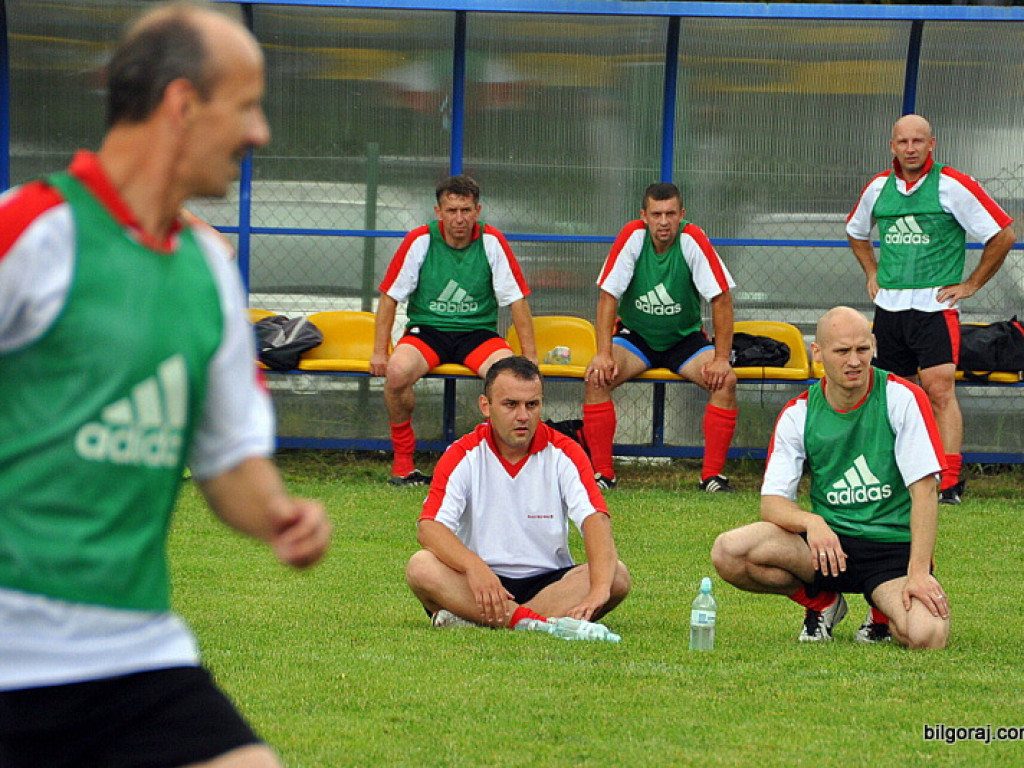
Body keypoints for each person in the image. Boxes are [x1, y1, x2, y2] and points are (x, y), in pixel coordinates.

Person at [0, 5, 332, 767]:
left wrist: (279, 514)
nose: (261, 134)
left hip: (129, 652)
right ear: (182, 105)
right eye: (246, 106)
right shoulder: (32, 231)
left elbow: (228, 459)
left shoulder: (209, 274)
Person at [711, 307, 950, 650]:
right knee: (729, 552)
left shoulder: (902, 398)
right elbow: (772, 503)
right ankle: (824, 604)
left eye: (862, 350)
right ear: (818, 353)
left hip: (891, 552)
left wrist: (919, 573)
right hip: (829, 549)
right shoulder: (799, 412)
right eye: (842, 351)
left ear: (873, 346)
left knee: (927, 636)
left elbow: (925, 491)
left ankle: (881, 612)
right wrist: (813, 523)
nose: (854, 361)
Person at [847, 113, 1016, 507]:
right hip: (889, 309)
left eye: (918, 141)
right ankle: (902, 475)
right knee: (897, 395)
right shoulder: (877, 188)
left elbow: (1003, 234)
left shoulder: (953, 185)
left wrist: (971, 284)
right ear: (892, 146)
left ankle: (950, 481)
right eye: (903, 142)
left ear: (932, 144)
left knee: (939, 389)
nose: (910, 149)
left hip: (934, 307)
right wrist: (872, 271)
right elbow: (856, 232)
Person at [405, 356, 631, 640]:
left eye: (532, 405)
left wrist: (599, 591)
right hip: (476, 581)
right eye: (511, 405)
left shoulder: (566, 452)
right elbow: (430, 528)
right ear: (485, 406)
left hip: (550, 581)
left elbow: (594, 520)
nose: (523, 415)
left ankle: (494, 620)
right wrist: (473, 566)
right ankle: (535, 621)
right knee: (421, 566)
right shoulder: (462, 453)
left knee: (616, 576)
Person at [371, 175, 537, 487]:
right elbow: (389, 296)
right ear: (438, 211)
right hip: (428, 332)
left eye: (465, 210)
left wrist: (530, 358)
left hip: (478, 334)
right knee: (396, 372)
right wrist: (380, 351)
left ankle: (503, 463)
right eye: (451, 210)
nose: (458, 218)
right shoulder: (420, 239)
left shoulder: (492, 241)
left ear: (478, 210)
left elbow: (517, 300)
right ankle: (404, 462)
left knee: (511, 382)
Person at [582, 182, 739, 491]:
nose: (664, 221)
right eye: (656, 214)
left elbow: (720, 299)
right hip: (636, 338)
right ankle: (603, 475)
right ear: (644, 215)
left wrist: (721, 359)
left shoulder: (692, 239)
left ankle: (711, 477)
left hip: (685, 340)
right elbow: (607, 296)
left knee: (727, 381)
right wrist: (603, 353)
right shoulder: (632, 236)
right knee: (596, 376)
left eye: (670, 214)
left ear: (682, 215)